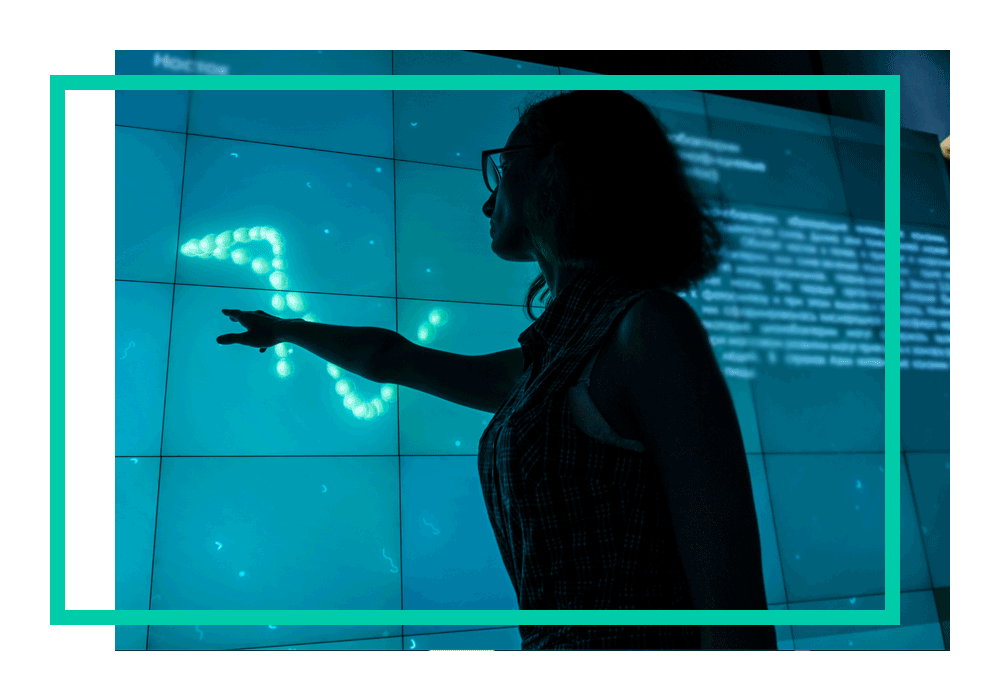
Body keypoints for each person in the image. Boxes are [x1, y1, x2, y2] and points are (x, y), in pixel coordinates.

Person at [219, 90, 777, 651]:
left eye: (504, 168)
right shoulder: (554, 364)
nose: (488, 204)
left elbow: (732, 598)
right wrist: (285, 329)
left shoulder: (648, 328)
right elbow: (390, 358)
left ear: (559, 170)